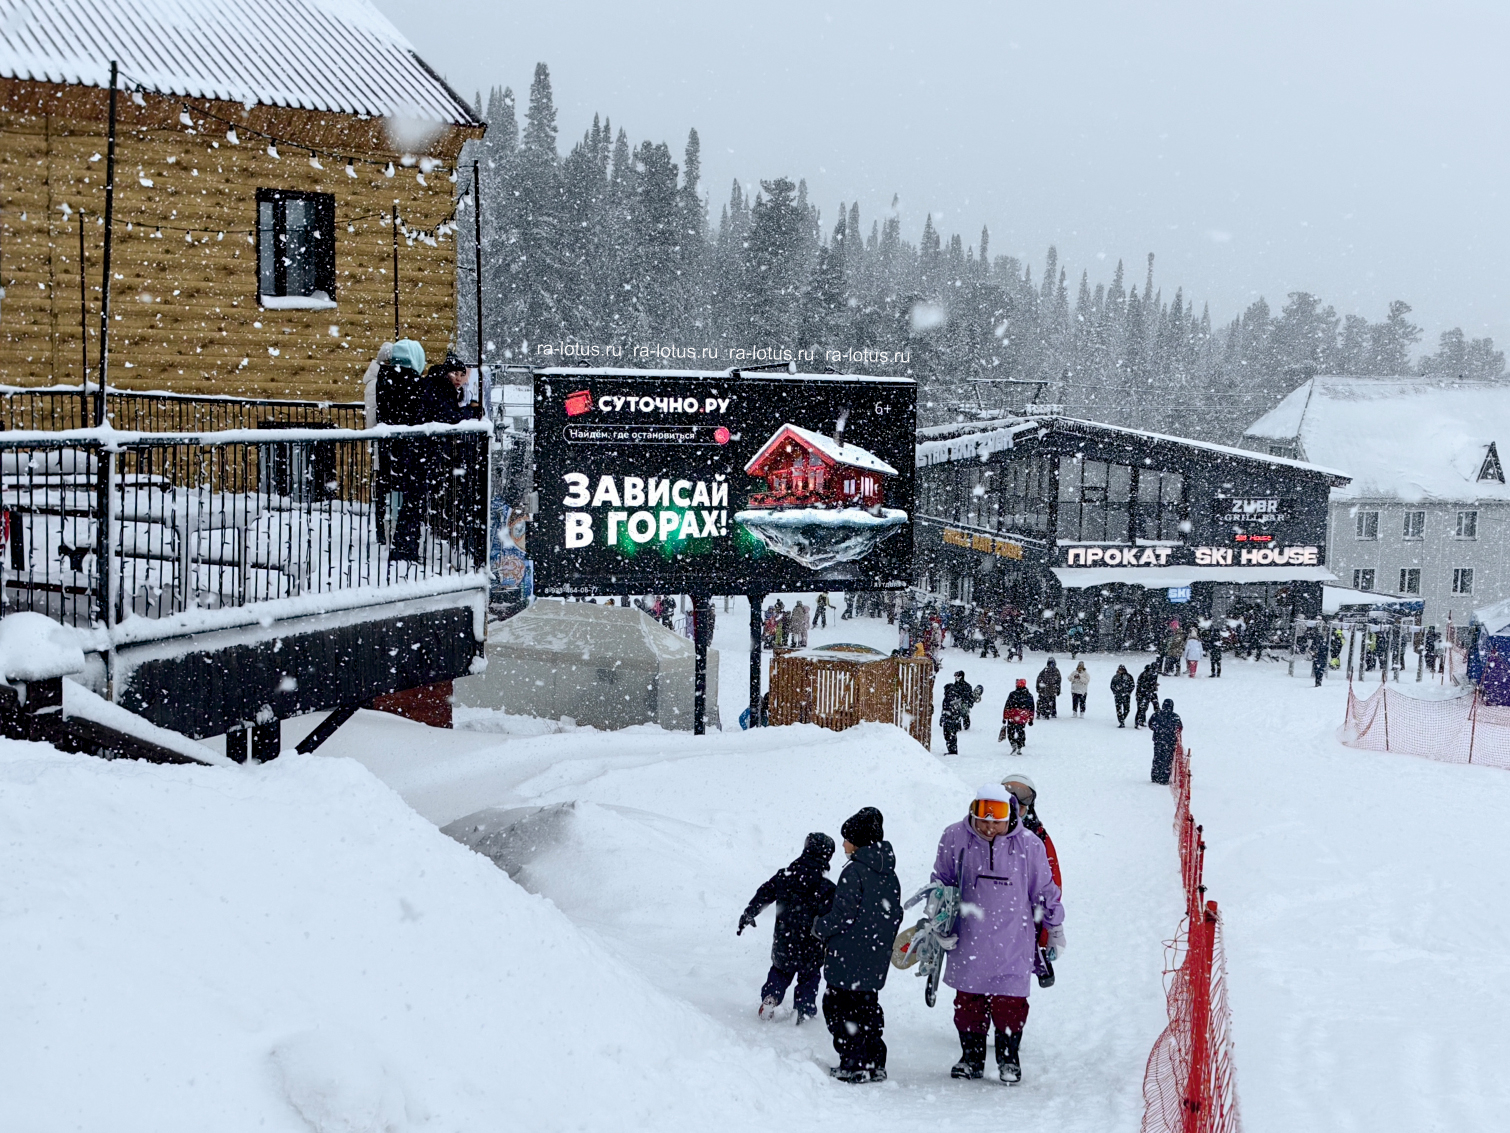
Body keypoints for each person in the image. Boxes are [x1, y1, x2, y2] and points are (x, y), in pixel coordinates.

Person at [932, 785, 1065, 1085]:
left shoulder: (1030, 846)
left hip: (1014, 940)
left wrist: (1053, 928)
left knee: (1010, 1005)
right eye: (984, 817)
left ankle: (1009, 1060)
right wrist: (938, 920)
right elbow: (941, 881)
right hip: (968, 938)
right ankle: (971, 1058)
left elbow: (1044, 892)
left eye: (998, 818)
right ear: (972, 811)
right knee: (969, 1003)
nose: (990, 825)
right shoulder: (954, 837)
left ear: (1012, 815)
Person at [811, 808, 902, 1083]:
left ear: (858, 841)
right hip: (875, 956)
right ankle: (875, 1062)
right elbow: (894, 915)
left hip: (847, 955)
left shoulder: (855, 872)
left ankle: (853, 1063)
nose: (843, 845)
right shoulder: (890, 874)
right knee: (867, 1007)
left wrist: (819, 927)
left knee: (838, 1007)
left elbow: (843, 915)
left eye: (847, 839)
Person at [739, 833, 837, 1024]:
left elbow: (764, 893)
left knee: (780, 972)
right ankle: (804, 1012)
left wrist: (749, 913)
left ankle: (771, 997)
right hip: (812, 946)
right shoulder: (827, 888)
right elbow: (832, 918)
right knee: (809, 979)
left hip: (784, 942)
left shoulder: (785, 876)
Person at [1000, 772, 1063, 986]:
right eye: (1008, 794)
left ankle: (1034, 960)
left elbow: (1051, 883)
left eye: (1022, 798)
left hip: (1023, 913)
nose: (1014, 806)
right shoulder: (985, 830)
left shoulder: (1037, 838)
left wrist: (1050, 930)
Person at [940, 670, 977, 756]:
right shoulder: (954, 686)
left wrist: (965, 701)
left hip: (962, 704)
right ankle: (958, 726)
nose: (956, 677)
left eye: (957, 676)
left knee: (964, 715)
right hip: (956, 706)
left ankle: (966, 724)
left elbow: (969, 696)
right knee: (955, 722)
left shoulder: (966, 686)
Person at [1149, 698, 1182, 784]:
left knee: (1157, 758)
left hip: (1158, 741)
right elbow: (1179, 728)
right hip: (1170, 742)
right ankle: (1164, 777)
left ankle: (1155, 776)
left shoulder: (1156, 715)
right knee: (1167, 760)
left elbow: (1151, 724)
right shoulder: (1175, 717)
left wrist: (1158, 730)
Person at [999, 678, 1035, 754]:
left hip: (1013, 715)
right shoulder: (1029, 695)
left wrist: (1005, 717)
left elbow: (1007, 706)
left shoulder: (1012, 694)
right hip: (1023, 716)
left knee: (1010, 731)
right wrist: (1031, 719)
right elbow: (1032, 708)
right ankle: (1019, 745)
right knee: (1021, 730)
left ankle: (1013, 744)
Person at [1134, 661, 1160, 728]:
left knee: (1143, 708)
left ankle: (1140, 721)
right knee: (1144, 707)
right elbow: (1144, 684)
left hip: (1146, 692)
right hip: (1145, 693)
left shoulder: (1151, 673)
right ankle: (1140, 722)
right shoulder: (1149, 674)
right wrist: (1152, 686)